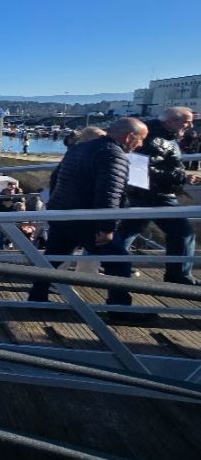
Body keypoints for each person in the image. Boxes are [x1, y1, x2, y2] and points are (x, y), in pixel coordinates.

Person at [27, 117, 152, 323]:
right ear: (129, 136)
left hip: (62, 214)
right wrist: (108, 227)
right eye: (140, 139)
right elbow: (109, 193)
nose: (140, 145)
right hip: (87, 219)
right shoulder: (114, 154)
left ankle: (37, 296)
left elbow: (57, 180)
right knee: (120, 262)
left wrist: (54, 208)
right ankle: (119, 310)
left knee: (53, 258)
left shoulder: (78, 148)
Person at [118, 107, 200, 286]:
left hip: (144, 191)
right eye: (186, 121)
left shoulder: (160, 135)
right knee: (183, 233)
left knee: (129, 230)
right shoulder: (155, 138)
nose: (191, 125)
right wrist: (182, 177)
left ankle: (112, 263)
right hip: (156, 194)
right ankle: (178, 275)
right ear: (171, 121)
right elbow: (143, 168)